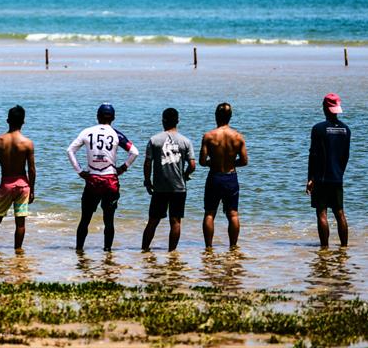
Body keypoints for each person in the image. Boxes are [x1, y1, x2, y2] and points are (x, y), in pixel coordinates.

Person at [67, 104, 139, 251]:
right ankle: (107, 252)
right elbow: (134, 152)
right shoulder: (117, 134)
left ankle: (79, 250)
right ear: (113, 118)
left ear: (97, 116)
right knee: (109, 221)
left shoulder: (87, 132)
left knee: (85, 219)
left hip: (92, 179)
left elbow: (70, 150)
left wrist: (79, 171)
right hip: (110, 180)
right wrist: (123, 168)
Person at [142, 108, 196, 252]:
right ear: (177, 121)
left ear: (162, 120)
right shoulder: (186, 141)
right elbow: (192, 165)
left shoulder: (154, 140)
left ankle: (144, 250)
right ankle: (172, 252)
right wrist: (184, 175)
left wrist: (147, 181)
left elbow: (148, 163)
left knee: (153, 220)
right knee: (176, 221)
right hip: (179, 187)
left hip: (160, 188)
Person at [199, 102, 248, 249]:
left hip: (214, 177)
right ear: (230, 117)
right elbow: (245, 161)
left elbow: (202, 161)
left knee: (209, 214)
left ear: (216, 116)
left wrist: (213, 163)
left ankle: (208, 247)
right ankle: (233, 247)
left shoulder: (208, 136)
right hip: (230, 177)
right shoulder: (238, 137)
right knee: (233, 214)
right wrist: (231, 163)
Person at [0, 105, 35, 250]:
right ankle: (18, 252)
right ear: (23, 122)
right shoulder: (27, 143)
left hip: (6, 186)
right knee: (20, 223)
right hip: (23, 187)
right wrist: (32, 189)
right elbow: (32, 169)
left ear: (8, 120)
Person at [307, 93, 351, 248]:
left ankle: (324, 248)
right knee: (340, 213)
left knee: (322, 213)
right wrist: (339, 173)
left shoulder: (318, 129)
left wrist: (310, 178)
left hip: (321, 178)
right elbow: (346, 156)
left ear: (325, 108)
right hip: (337, 177)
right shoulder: (346, 130)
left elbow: (313, 155)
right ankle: (344, 248)